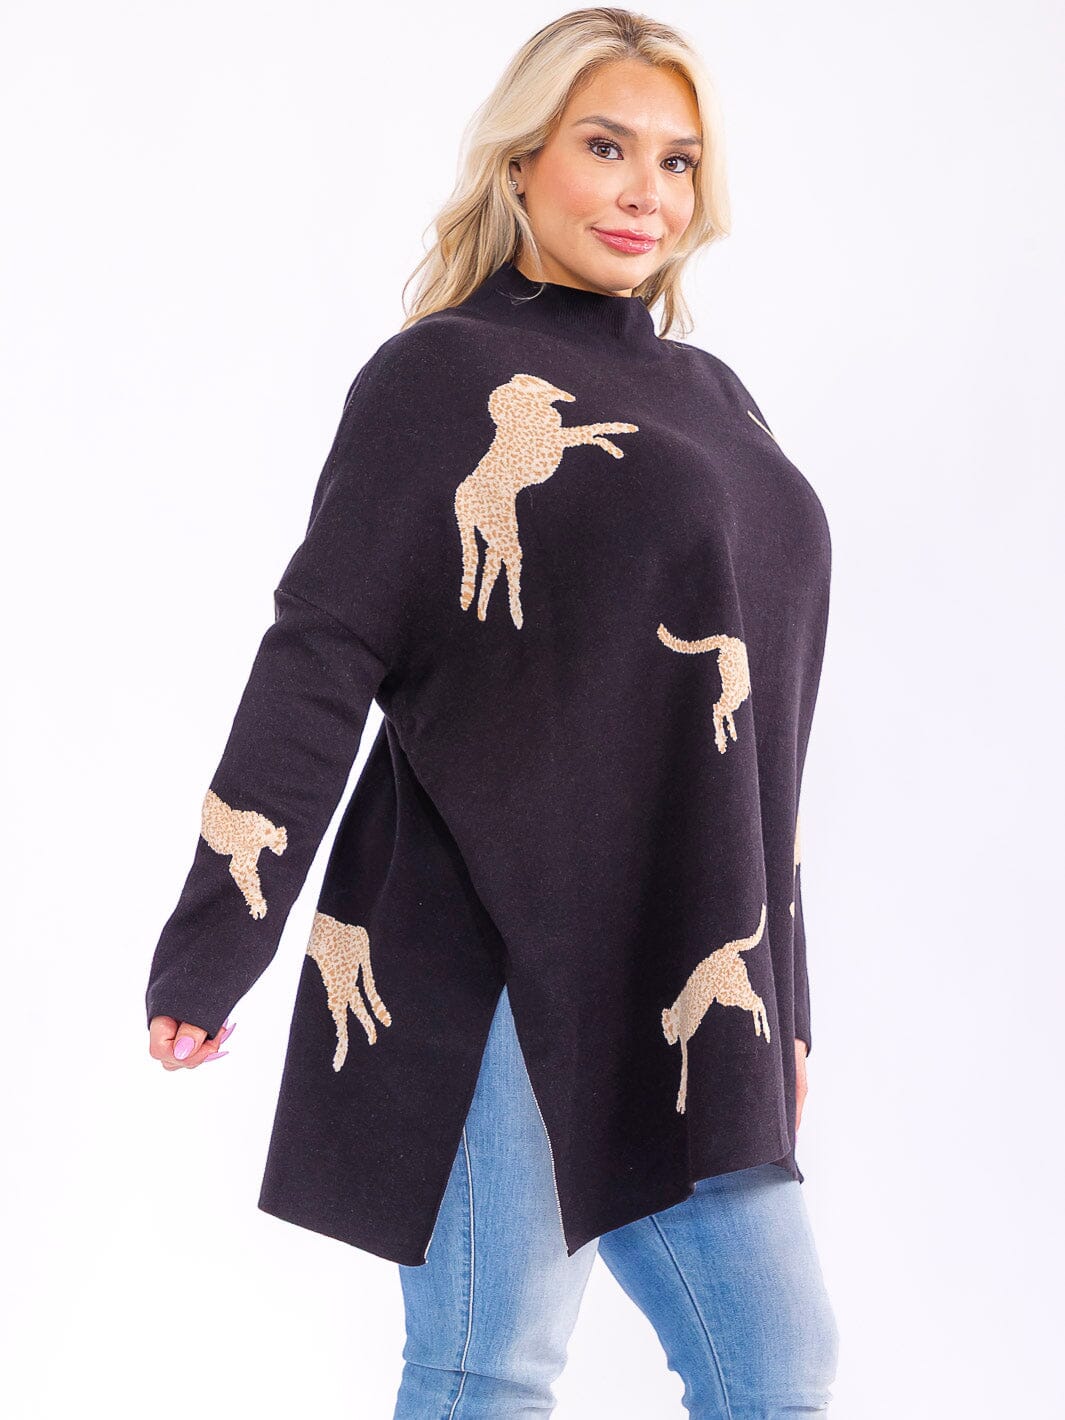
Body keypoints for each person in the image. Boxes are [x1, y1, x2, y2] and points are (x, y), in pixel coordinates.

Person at [145, 8, 840, 1416]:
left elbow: (762, 735)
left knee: (777, 1361)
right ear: (521, 162)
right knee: (492, 1365)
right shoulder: (436, 376)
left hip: (680, 949)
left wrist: (786, 995)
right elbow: (321, 653)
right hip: (501, 939)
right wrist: (215, 943)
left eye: (677, 160)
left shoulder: (714, 397)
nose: (646, 192)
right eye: (605, 147)